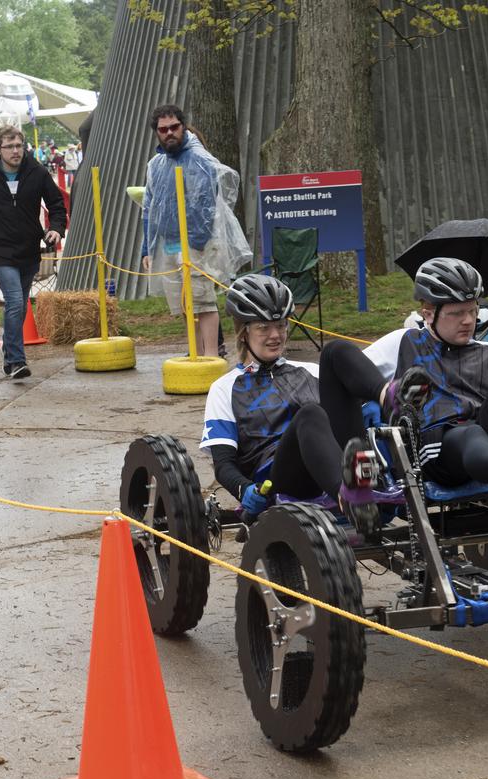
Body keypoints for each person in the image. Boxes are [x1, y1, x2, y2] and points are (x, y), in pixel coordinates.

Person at [351, 257, 488, 491]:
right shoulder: (403, 342)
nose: (468, 321)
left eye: (472, 310)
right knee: (470, 433)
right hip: (436, 447)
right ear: (428, 314)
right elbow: (353, 373)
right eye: (457, 313)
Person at [201, 275, 380, 527]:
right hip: (280, 480)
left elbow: (347, 419)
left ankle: (388, 394)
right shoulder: (223, 388)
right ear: (243, 332)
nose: (276, 335)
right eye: (264, 327)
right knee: (310, 414)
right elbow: (223, 464)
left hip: (334, 461)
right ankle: (348, 498)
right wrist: (244, 488)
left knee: (335, 351)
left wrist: (370, 406)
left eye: (281, 325)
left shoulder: (310, 371)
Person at [141, 104, 251, 362]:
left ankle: (211, 356)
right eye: (163, 129)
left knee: (202, 301)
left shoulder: (199, 159)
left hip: (196, 244)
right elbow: (149, 208)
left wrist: (197, 245)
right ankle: (196, 352)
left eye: (174, 127)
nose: (169, 133)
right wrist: (147, 248)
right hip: (169, 243)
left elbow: (206, 205)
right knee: (183, 302)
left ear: (183, 126)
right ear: (156, 132)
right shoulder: (155, 165)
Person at [0, 124, 67, 381]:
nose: (16, 151)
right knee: (15, 301)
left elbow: (56, 204)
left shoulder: (37, 172)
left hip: (29, 248)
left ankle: (8, 348)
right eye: (9, 147)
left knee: (20, 306)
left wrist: (56, 228)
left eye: (19, 145)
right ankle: (15, 361)